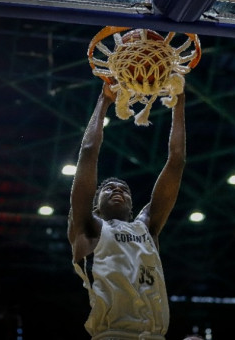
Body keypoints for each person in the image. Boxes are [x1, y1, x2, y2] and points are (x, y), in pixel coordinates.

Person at [68, 82, 186, 340]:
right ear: (96, 204)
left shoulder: (147, 227)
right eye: (108, 188)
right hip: (113, 334)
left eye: (124, 188)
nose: (117, 189)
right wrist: (104, 100)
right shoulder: (89, 228)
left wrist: (179, 101)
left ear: (133, 205)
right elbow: (88, 152)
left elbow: (176, 160)